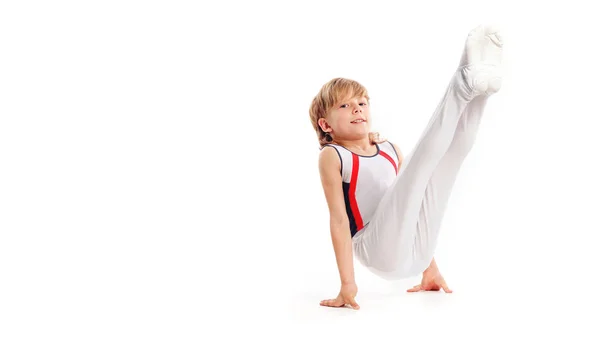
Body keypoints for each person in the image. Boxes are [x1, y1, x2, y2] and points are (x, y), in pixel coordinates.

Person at [308, 24, 503, 310]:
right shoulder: (333, 155)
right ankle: (464, 83)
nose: (358, 109)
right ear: (325, 125)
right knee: (421, 166)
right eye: (345, 106)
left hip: (414, 254)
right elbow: (338, 221)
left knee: (447, 165)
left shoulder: (387, 149)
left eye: (362, 102)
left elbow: (414, 207)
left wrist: (430, 267)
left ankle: (481, 90)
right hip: (374, 250)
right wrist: (348, 285)